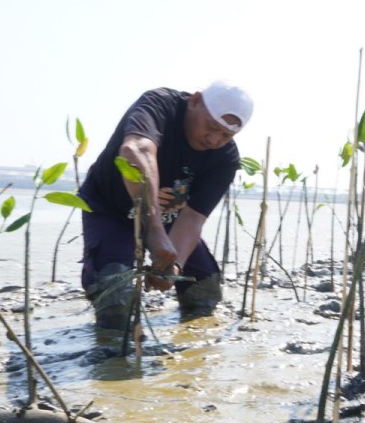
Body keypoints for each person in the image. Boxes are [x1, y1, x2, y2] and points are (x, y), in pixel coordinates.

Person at [77, 80, 252, 329]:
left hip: (171, 219)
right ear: (194, 101)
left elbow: (193, 218)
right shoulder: (160, 106)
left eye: (226, 135)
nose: (214, 139)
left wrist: (172, 265)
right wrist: (155, 232)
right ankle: (113, 356)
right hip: (110, 209)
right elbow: (135, 150)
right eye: (211, 126)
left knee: (204, 289)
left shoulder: (225, 158)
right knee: (114, 295)